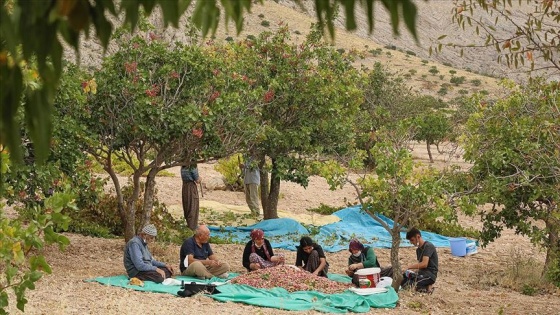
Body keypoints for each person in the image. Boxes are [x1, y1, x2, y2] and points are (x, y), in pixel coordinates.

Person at [401, 228, 438, 293]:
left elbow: (424, 264)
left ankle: (427, 287)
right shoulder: (418, 250)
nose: (411, 242)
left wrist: (409, 267)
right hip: (422, 273)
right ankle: (426, 286)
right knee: (404, 278)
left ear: (418, 237)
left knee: (409, 284)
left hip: (430, 275)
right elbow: (419, 265)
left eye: (412, 240)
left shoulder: (428, 246)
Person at [181, 163, 201, 230]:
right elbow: (197, 180)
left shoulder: (183, 166)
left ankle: (189, 225)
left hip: (184, 187)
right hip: (191, 187)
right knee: (193, 206)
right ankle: (192, 227)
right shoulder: (192, 166)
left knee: (187, 206)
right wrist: (200, 178)